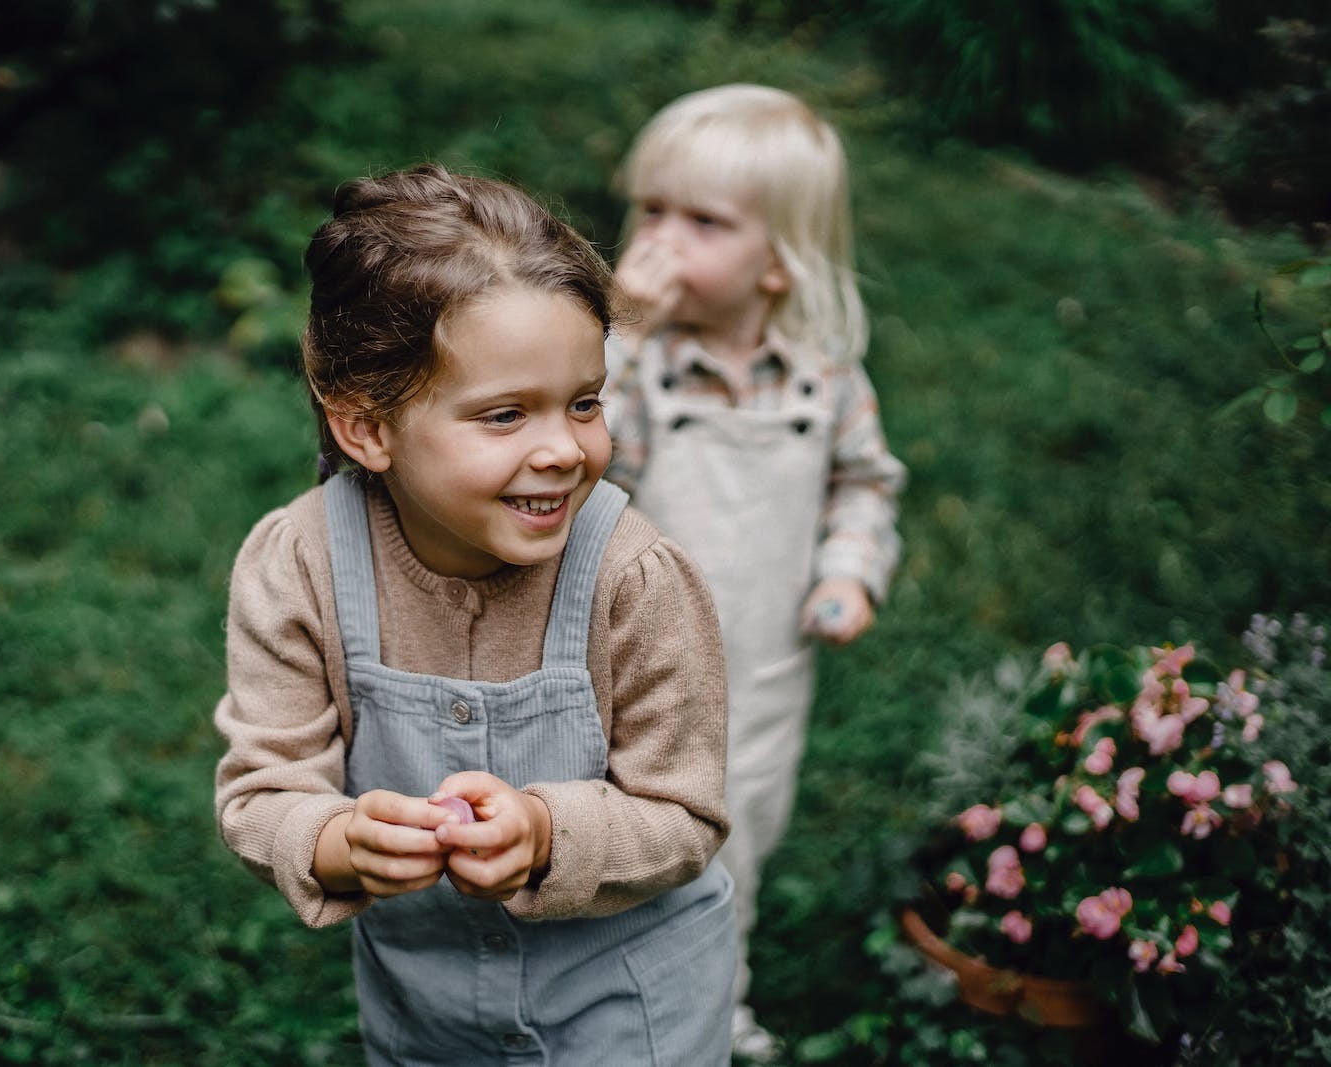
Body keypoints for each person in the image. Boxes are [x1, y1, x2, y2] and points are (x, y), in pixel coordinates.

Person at [214, 162, 738, 1065]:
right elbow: (263, 790)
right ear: (368, 428)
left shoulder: (637, 576)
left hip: (629, 999)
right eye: (505, 415)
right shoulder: (299, 564)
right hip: (427, 1008)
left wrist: (545, 833)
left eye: (584, 403)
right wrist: (337, 841)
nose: (564, 450)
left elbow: (683, 812)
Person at [603, 84, 907, 1063]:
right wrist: (617, 331)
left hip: (763, 675)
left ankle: (711, 998)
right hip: (625, 667)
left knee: (734, 844)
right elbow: (576, 464)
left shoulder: (826, 379)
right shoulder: (637, 367)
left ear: (777, 263)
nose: (658, 238)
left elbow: (864, 485)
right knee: (619, 837)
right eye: (649, 209)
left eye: (700, 220)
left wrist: (848, 570)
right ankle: (597, 995)